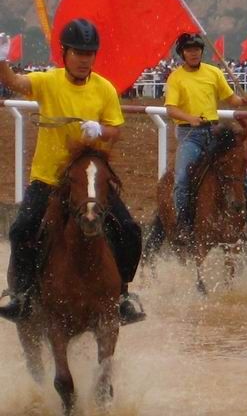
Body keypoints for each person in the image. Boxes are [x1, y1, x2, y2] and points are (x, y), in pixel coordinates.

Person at [0, 19, 146, 325]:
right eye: (78, 52)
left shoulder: (104, 88)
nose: (84, 59)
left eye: (89, 53)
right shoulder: (48, 81)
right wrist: (2, 61)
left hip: (89, 180)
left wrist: (100, 129)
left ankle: (122, 295)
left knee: (129, 230)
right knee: (22, 228)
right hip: (50, 178)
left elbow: (116, 130)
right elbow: (15, 83)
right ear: (64, 53)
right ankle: (22, 295)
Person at [165, 33, 247, 242]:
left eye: (197, 49)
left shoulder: (214, 72)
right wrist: (190, 118)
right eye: (189, 50)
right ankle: (184, 223)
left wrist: (244, 100)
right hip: (190, 136)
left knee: (240, 172)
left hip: (214, 132)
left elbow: (230, 99)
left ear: (201, 51)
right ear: (182, 54)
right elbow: (171, 109)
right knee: (181, 179)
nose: (194, 53)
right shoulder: (176, 77)